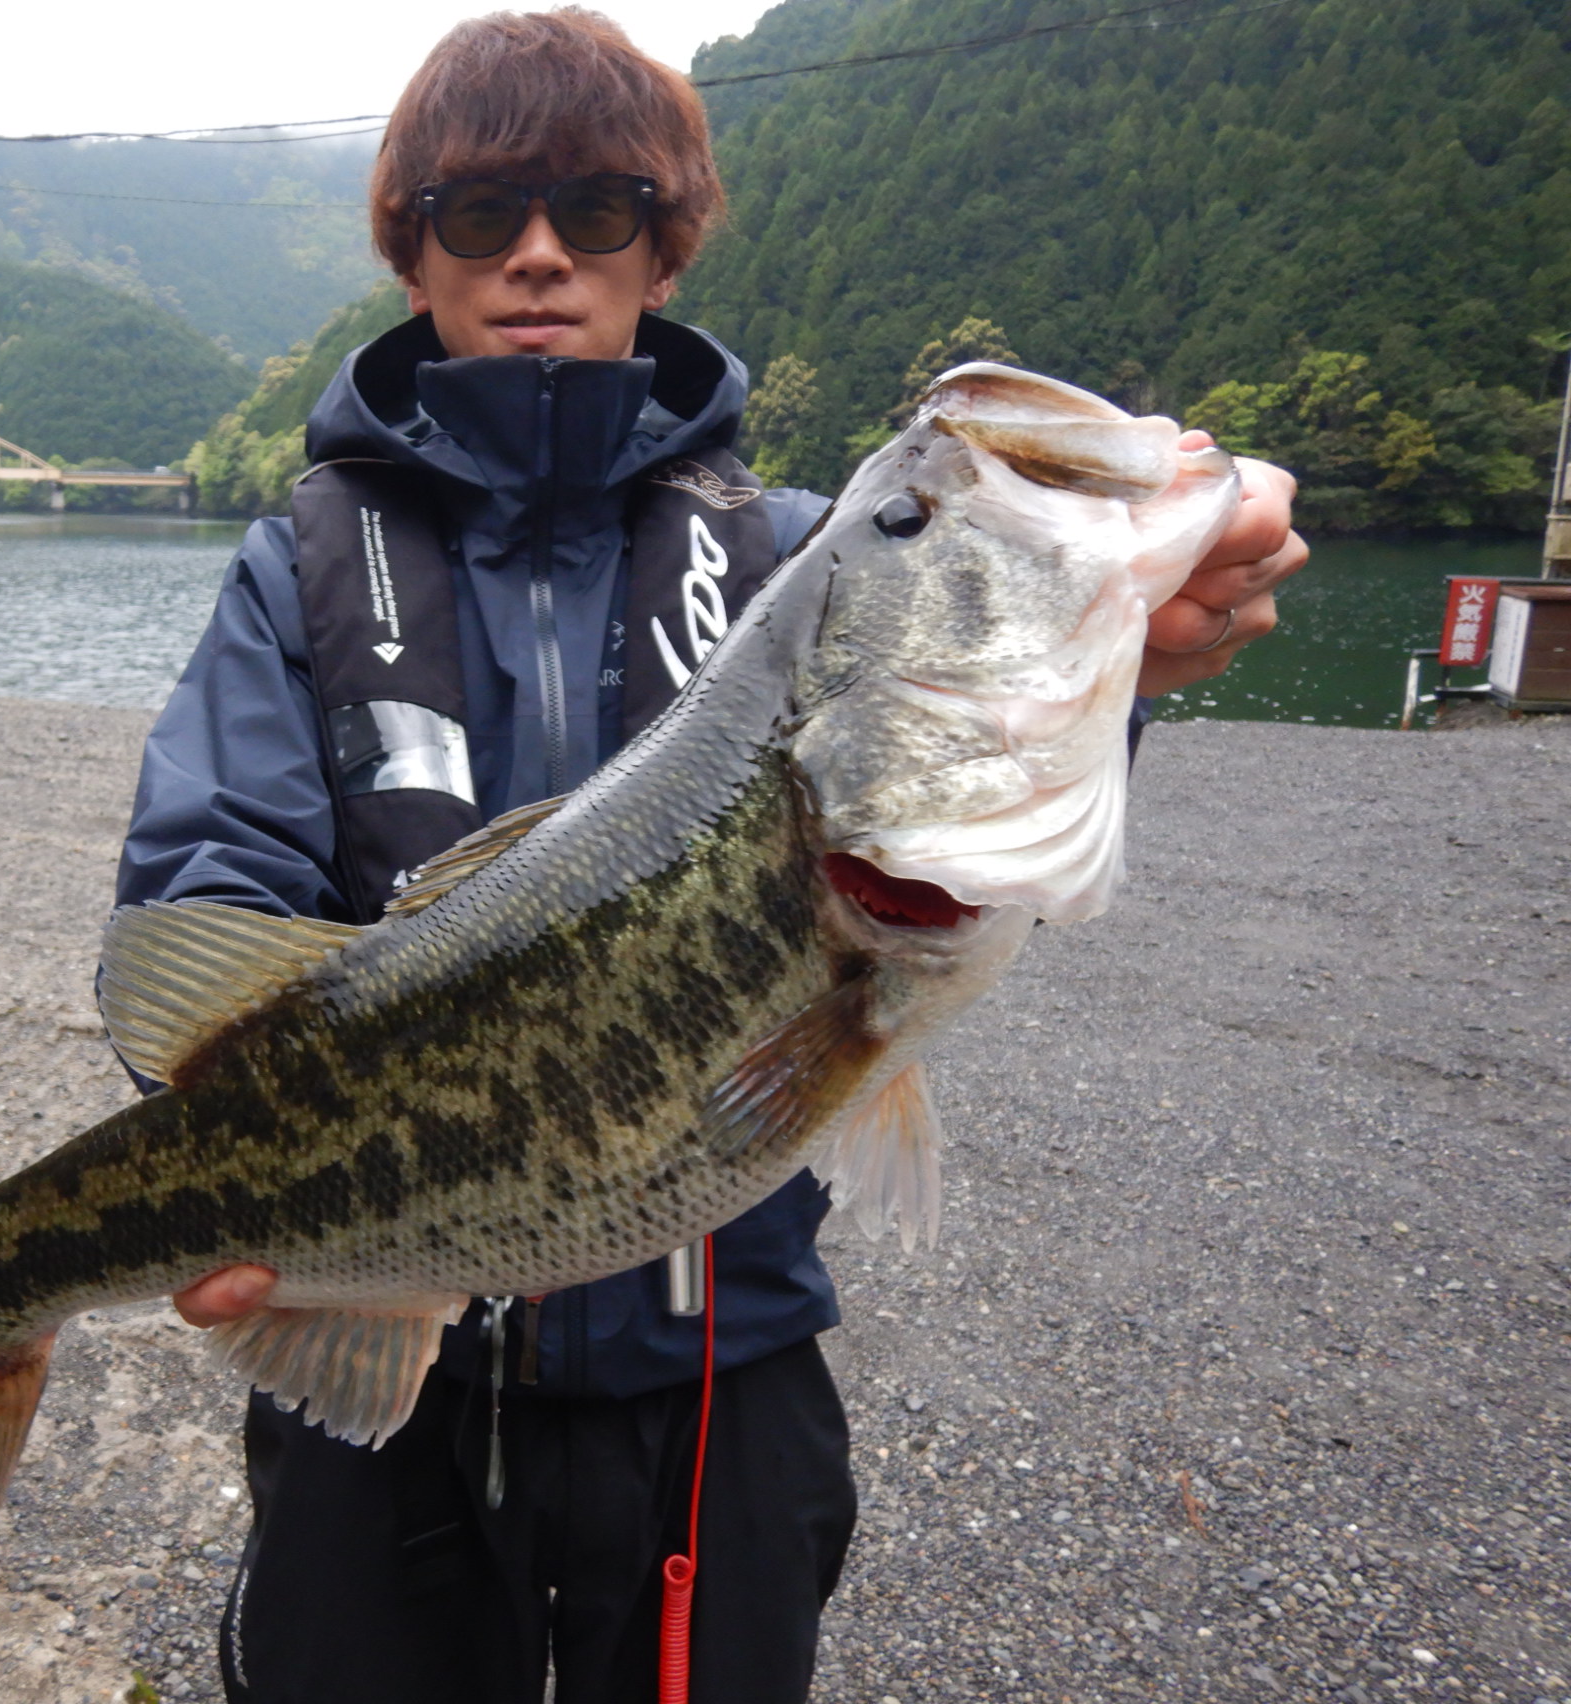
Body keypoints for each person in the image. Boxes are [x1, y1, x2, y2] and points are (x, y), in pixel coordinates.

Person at [111, 11, 1307, 1702]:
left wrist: (1128, 669)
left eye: (598, 210)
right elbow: (208, 898)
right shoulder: (299, 567)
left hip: (721, 1368)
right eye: (479, 213)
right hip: (391, 1356)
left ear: (663, 250)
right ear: (411, 256)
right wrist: (225, 1175)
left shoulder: (801, 561)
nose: (539, 254)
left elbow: (941, 800)